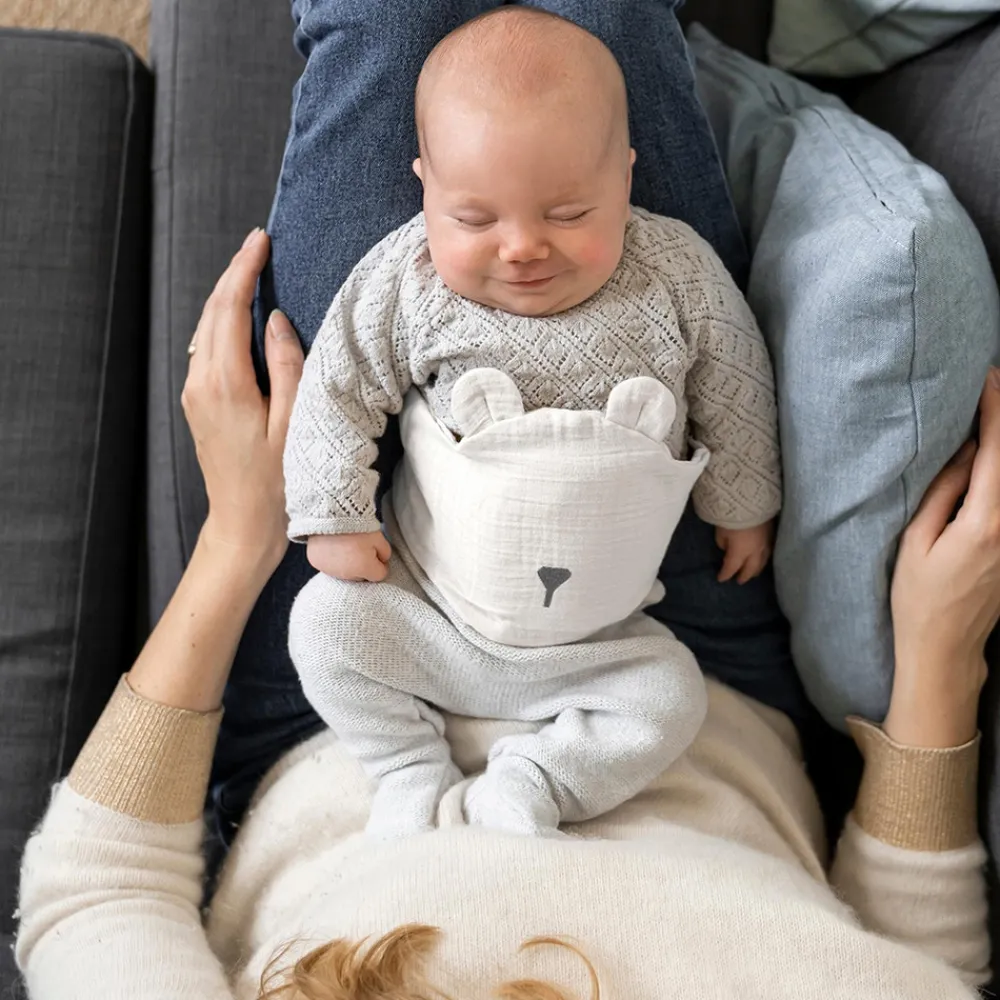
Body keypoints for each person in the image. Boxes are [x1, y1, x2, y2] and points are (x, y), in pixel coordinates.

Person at [14, 230, 995, 997]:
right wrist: (942, 659)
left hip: (354, 653)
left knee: (431, 80)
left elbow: (95, 895)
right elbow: (920, 962)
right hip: (692, 652)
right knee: (588, 136)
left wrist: (240, 539)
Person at [284, 8, 780, 839]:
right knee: (324, 623)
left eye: (570, 213)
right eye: (474, 220)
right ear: (424, 186)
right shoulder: (407, 277)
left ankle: (541, 781)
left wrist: (742, 501)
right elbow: (338, 379)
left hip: (599, 649)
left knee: (671, 696)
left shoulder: (677, 274)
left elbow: (734, 381)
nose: (521, 248)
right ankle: (406, 766)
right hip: (428, 616)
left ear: (626, 176)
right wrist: (334, 513)